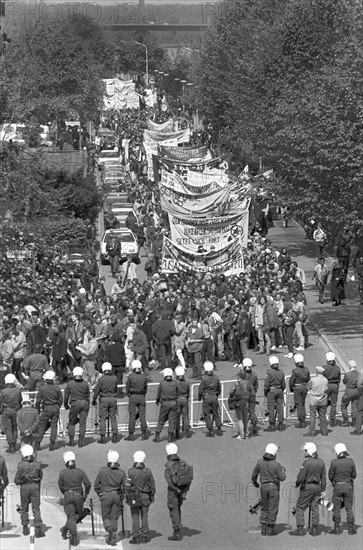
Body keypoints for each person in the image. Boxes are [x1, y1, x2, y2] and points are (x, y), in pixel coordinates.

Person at [289, 442, 326, 537]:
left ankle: (300, 529)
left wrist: (297, 484)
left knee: (300, 507)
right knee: (315, 507)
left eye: (305, 450)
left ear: (309, 451)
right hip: (317, 487)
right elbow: (324, 477)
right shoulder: (321, 462)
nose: (304, 452)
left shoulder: (307, 463)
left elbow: (301, 477)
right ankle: (314, 529)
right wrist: (323, 490)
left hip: (308, 487)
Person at [251, 443, 286, 536]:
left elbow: (254, 474)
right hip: (273, 487)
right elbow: (282, 478)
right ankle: (270, 529)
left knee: (265, 506)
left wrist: (255, 483)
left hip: (263, 487)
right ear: (274, 453)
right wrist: (283, 471)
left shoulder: (259, 462)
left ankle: (263, 528)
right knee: (273, 507)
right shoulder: (276, 464)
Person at [58, 451, 91, 547]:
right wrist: (85, 494)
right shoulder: (80, 471)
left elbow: (60, 485)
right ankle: (65, 529)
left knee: (71, 516)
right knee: (79, 514)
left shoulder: (62, 473)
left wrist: (65, 493)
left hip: (68, 495)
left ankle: (72, 532)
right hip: (78, 495)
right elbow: (88, 484)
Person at [94, 449, 126, 546]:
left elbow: (96, 485)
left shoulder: (102, 470)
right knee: (114, 517)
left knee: (106, 516)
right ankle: (114, 533)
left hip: (105, 495)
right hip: (117, 495)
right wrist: (122, 496)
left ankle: (110, 530)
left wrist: (100, 493)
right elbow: (124, 487)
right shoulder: (122, 472)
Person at [125, 450, 156, 545]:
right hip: (145, 496)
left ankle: (136, 536)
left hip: (134, 497)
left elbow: (127, 486)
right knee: (144, 516)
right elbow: (153, 485)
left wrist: (128, 496)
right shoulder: (148, 471)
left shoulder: (131, 471)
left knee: (135, 516)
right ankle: (144, 536)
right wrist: (152, 496)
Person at [164, 442, 193, 541]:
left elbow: (169, 482)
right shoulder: (183, 462)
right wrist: (184, 491)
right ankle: (178, 526)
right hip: (182, 489)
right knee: (178, 508)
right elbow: (189, 476)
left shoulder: (168, 465)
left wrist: (176, 489)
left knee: (174, 509)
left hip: (173, 491)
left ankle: (176, 532)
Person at [14, 444, 44, 538]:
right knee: (36, 508)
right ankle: (38, 528)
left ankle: (25, 528)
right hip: (35, 487)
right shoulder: (38, 465)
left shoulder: (21, 465)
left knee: (24, 508)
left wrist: (19, 482)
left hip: (25, 488)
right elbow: (40, 477)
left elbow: (16, 480)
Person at [328, 443, 357, 535]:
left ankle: (336, 528)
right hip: (348, 486)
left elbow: (330, 475)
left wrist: (334, 481)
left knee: (336, 507)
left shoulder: (334, 462)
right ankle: (351, 528)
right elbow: (354, 475)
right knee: (349, 507)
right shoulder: (351, 461)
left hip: (338, 486)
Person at [36, 370, 63, 451]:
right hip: (55, 408)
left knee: (42, 426)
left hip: (46, 408)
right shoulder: (57, 388)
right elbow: (60, 400)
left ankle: (38, 443)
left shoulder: (42, 388)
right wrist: (57, 406)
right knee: (54, 426)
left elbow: (38, 401)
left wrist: (38, 410)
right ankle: (52, 443)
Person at [92, 362, 119, 444]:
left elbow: (97, 391)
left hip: (104, 399)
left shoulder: (101, 379)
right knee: (113, 418)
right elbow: (116, 389)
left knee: (103, 419)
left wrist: (94, 400)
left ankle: (103, 437)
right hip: (113, 399)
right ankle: (114, 436)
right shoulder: (114, 378)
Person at [63, 367, 90, 448]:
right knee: (83, 422)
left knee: (71, 422)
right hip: (84, 402)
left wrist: (66, 404)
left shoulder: (70, 383)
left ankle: (71, 440)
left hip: (75, 403)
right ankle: (81, 441)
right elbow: (88, 395)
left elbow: (66, 395)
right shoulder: (85, 383)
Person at [125, 359, 149, 441]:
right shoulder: (144, 377)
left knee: (132, 416)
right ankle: (144, 434)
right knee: (142, 415)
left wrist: (129, 395)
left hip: (133, 396)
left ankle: (131, 434)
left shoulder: (130, 377)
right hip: (141, 396)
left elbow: (127, 388)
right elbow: (146, 389)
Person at [198, 361, 223, 437]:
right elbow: (219, 389)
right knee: (216, 413)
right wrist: (216, 395)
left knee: (207, 414)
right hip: (214, 396)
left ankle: (210, 430)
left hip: (207, 397)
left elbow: (201, 389)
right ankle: (219, 428)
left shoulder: (204, 378)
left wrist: (199, 397)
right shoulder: (216, 377)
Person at [154, 368, 178, 443]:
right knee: (172, 420)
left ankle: (157, 435)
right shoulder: (175, 383)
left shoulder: (162, 383)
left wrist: (157, 400)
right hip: (173, 403)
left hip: (164, 403)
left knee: (161, 419)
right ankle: (170, 436)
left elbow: (159, 393)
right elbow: (177, 393)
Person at [0, 373, 22, 453]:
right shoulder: (17, 390)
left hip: (6, 410)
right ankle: (14, 443)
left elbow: (1, 401)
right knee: (14, 428)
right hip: (15, 410)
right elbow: (20, 401)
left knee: (8, 428)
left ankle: (11, 445)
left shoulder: (3, 391)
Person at [229, 369, 254, 440]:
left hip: (238, 402)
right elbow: (252, 393)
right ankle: (247, 434)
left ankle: (242, 435)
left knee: (240, 419)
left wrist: (233, 397)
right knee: (246, 419)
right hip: (246, 402)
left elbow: (231, 392)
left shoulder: (236, 383)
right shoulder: (249, 383)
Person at [264, 356, 286, 432]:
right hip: (279, 390)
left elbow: (266, 384)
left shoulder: (269, 372)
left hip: (272, 390)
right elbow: (283, 384)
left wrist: (265, 391)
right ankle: (280, 424)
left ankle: (272, 424)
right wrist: (281, 390)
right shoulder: (281, 372)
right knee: (280, 408)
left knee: (271, 408)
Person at [289, 353, 310, 428]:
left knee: (298, 404)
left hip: (297, 388)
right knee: (303, 404)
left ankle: (301, 421)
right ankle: (303, 419)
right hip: (305, 387)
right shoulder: (306, 369)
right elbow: (308, 379)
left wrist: (291, 388)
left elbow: (291, 381)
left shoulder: (295, 370)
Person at [306, 366, 328, 436]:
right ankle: (324, 431)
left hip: (314, 400)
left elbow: (308, 387)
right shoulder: (325, 380)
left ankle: (311, 432)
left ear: (317, 372)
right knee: (323, 416)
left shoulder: (313, 380)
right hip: (323, 400)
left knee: (313, 417)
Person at [323, 351, 341, 427]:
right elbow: (339, 379)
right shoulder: (337, 368)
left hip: (327, 386)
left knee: (324, 402)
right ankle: (332, 420)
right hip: (335, 385)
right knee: (334, 404)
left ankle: (323, 416)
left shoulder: (324, 367)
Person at [341, 361, 359, 427]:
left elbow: (344, 381)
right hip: (356, 391)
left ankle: (346, 421)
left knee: (343, 405)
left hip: (349, 391)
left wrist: (347, 385)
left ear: (349, 366)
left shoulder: (347, 374)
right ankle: (354, 421)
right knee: (354, 406)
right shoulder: (359, 374)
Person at [243, 358, 259, 435]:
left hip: (244, 395)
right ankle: (254, 426)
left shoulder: (242, 374)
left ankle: (244, 428)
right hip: (252, 395)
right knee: (252, 411)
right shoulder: (254, 374)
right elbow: (256, 385)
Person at [175, 366, 191, 439]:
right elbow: (188, 392)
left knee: (177, 417)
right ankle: (187, 432)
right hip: (185, 399)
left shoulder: (175, 382)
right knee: (185, 416)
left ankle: (177, 432)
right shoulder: (187, 381)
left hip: (177, 399)